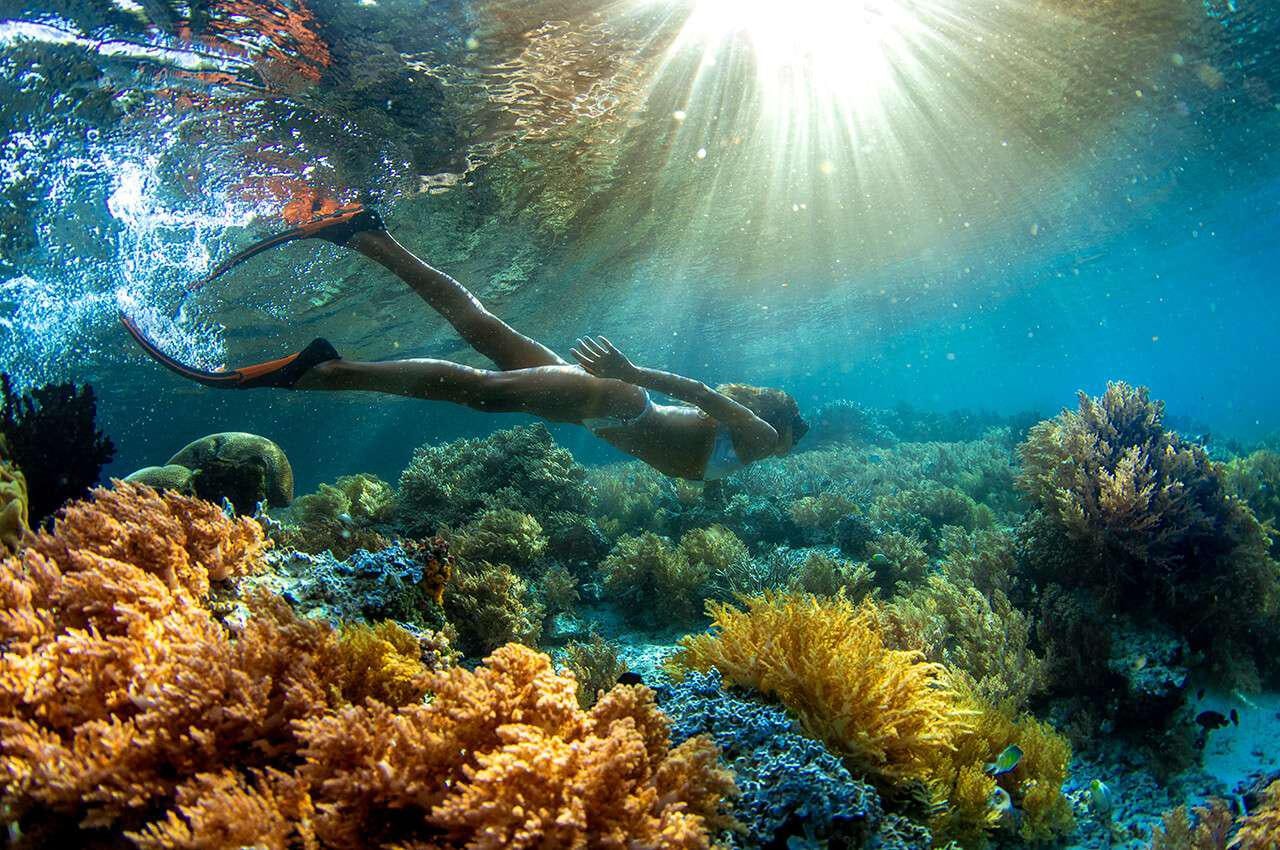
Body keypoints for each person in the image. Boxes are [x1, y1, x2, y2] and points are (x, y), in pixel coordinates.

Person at [121, 207, 807, 481]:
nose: (789, 449)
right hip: (617, 401)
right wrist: (630, 371)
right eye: (789, 434)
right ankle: (323, 370)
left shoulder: (743, 451)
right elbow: (702, 395)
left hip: (607, 409)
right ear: (777, 424)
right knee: (480, 395)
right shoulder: (760, 442)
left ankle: (365, 234)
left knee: (480, 331)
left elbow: (699, 419)